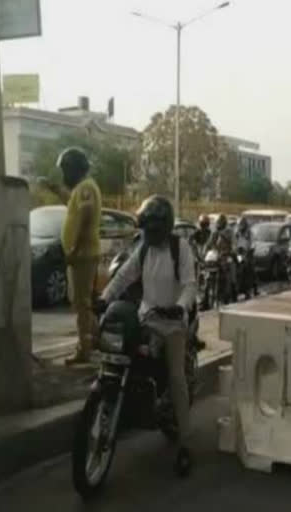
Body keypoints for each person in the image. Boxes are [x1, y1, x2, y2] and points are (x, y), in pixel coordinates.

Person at [100, 195, 195, 476]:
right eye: (145, 229)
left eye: (152, 229)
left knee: (176, 377)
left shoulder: (182, 248)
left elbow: (190, 285)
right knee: (121, 354)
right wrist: (104, 298)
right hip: (147, 317)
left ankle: (185, 444)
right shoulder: (143, 249)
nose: (148, 234)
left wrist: (179, 308)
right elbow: (123, 277)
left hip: (173, 323)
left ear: (164, 227)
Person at [46, 148, 102, 366]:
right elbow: (73, 203)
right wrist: (57, 190)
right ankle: (96, 338)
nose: (63, 175)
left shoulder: (86, 188)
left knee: (81, 304)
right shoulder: (83, 188)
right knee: (83, 302)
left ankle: (84, 349)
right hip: (82, 253)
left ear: (73, 169)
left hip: (83, 254)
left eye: (65, 170)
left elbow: (85, 215)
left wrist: (73, 249)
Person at [206, 214, 237, 301]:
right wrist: (206, 252)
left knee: (231, 272)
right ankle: (205, 299)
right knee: (207, 275)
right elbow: (208, 243)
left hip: (226, 255)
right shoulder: (214, 232)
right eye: (218, 223)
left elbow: (234, 243)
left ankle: (234, 295)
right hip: (216, 255)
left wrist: (232, 251)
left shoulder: (230, 232)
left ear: (224, 223)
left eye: (221, 223)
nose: (219, 225)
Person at [234, 217, 258, 299]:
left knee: (250, 268)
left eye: (242, 225)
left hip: (248, 253)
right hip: (239, 253)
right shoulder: (236, 233)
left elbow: (253, 243)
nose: (241, 227)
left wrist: (251, 249)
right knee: (236, 268)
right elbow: (233, 242)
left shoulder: (250, 233)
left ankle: (253, 288)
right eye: (240, 225)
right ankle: (235, 289)